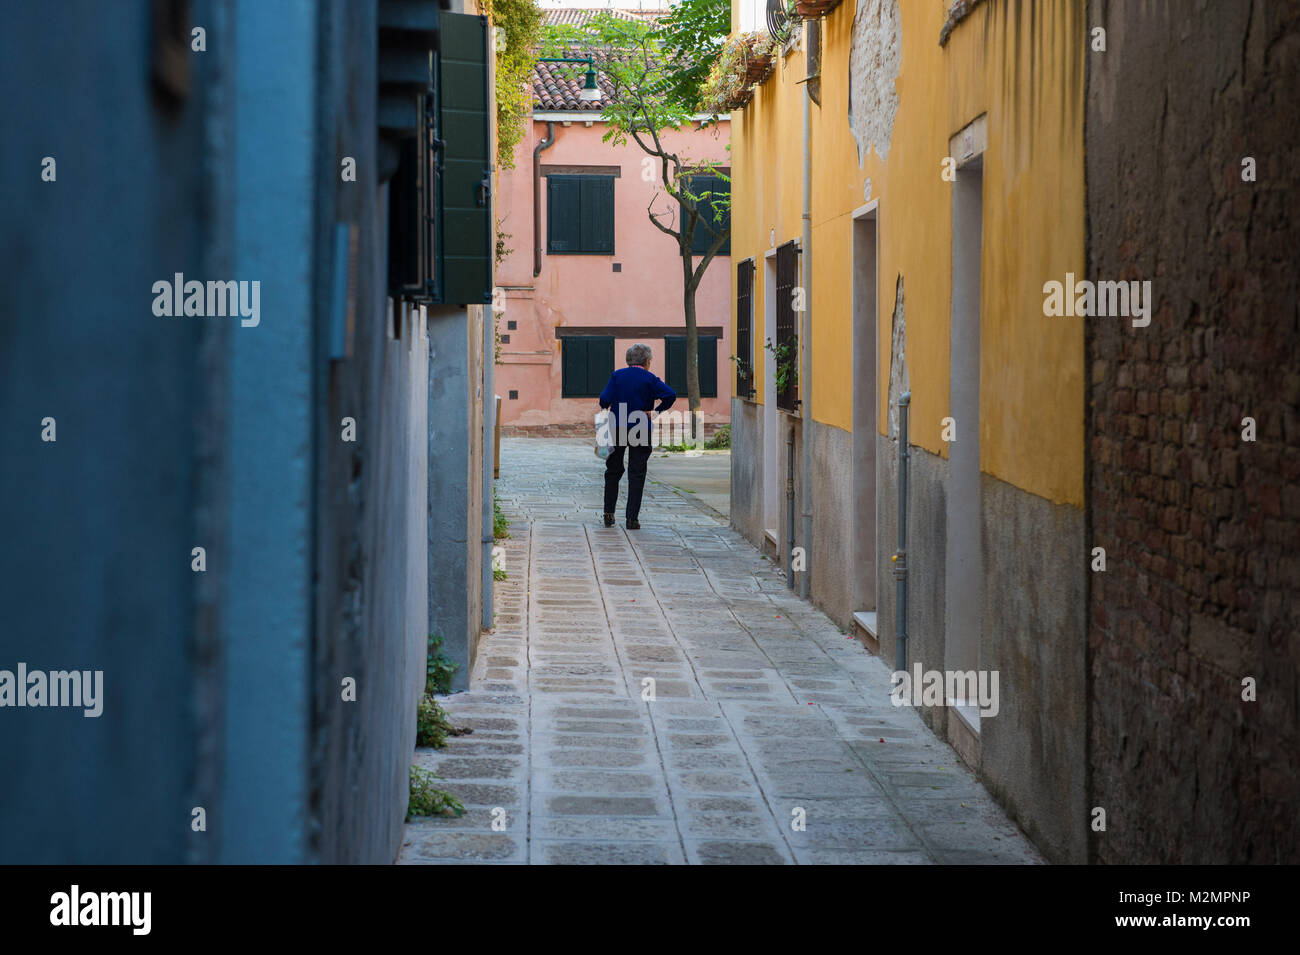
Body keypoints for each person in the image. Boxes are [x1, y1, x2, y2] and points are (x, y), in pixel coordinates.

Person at [598, 343, 675, 529]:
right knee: (637, 472)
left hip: (617, 426)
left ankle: (609, 514)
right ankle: (632, 519)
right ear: (647, 361)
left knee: (613, 471)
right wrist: (655, 411)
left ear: (628, 360)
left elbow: (604, 399)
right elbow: (670, 394)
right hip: (640, 425)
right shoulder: (650, 378)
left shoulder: (617, 376)